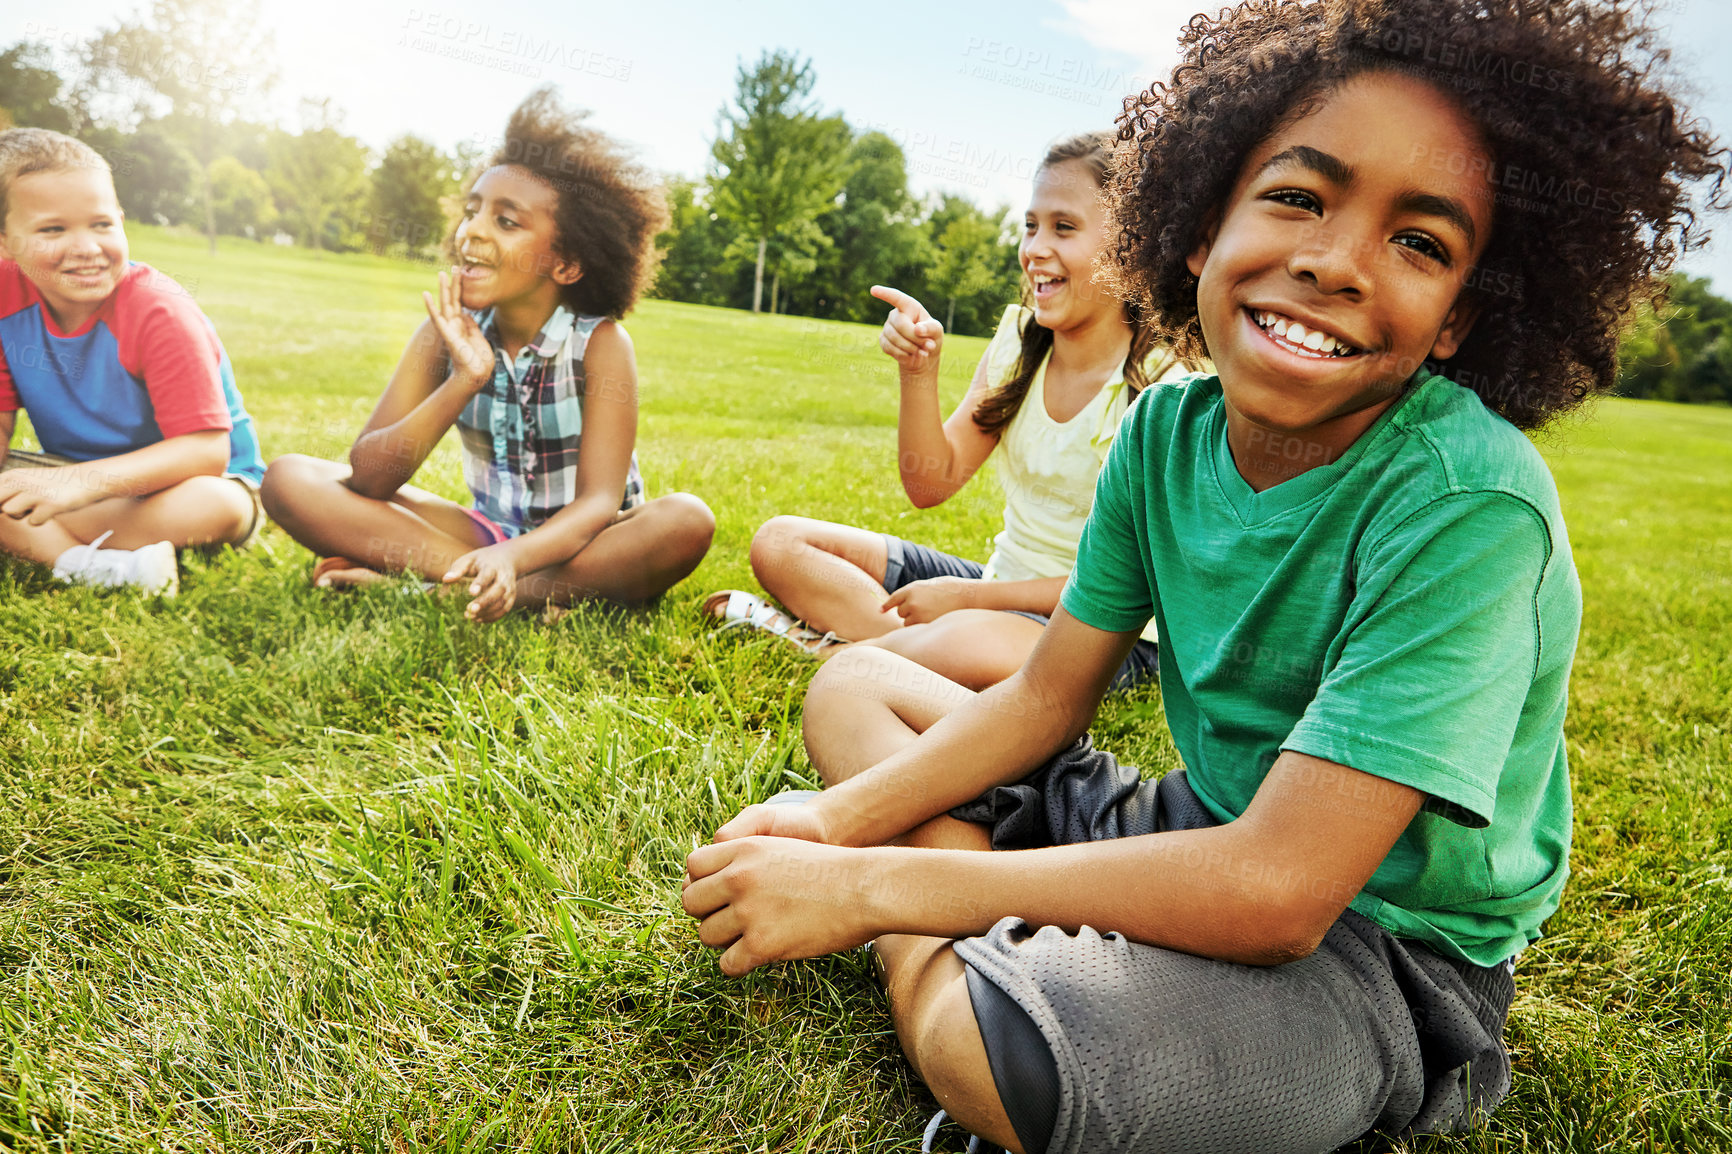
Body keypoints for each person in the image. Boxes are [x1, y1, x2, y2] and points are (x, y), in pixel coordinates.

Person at [682, 2, 1726, 1152]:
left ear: (1455, 323)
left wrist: (870, 888)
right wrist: (825, 821)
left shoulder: (1469, 507)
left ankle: (977, 956)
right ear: (1194, 227)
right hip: (1193, 825)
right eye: (1295, 196)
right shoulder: (1162, 432)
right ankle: (1009, 929)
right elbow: (1042, 697)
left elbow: (1280, 891)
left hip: (1376, 947)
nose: (1333, 260)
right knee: (852, 687)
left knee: (987, 1052)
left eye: (1418, 242)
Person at [706, 133, 1178, 691]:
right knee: (781, 543)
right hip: (993, 589)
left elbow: (1135, 585)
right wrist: (918, 373)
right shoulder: (1018, 344)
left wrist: (972, 599)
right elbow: (930, 484)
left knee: (962, 638)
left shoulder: (1164, 384)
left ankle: (833, 649)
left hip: (1099, 631)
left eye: (1064, 227)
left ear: (1130, 244)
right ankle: (894, 651)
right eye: (1030, 226)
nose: (1034, 248)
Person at [262, 88, 713, 621]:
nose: (471, 229)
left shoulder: (601, 345)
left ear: (567, 263)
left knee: (686, 520)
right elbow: (369, 477)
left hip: (590, 543)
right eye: (472, 211)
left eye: (506, 221)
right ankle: (523, 589)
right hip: (487, 530)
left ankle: (478, 588)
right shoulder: (443, 334)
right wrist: (464, 378)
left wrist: (513, 558)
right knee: (290, 480)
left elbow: (598, 504)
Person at [0, 128, 266, 597]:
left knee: (215, 505)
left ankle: (59, 546)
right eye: (53, 229)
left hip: (192, 485)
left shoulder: (158, 310)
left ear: (121, 221)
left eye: (101, 224)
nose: (86, 247)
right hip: (72, 478)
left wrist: (79, 484)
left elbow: (206, 452)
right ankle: (97, 568)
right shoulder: (5, 296)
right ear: (6, 242)